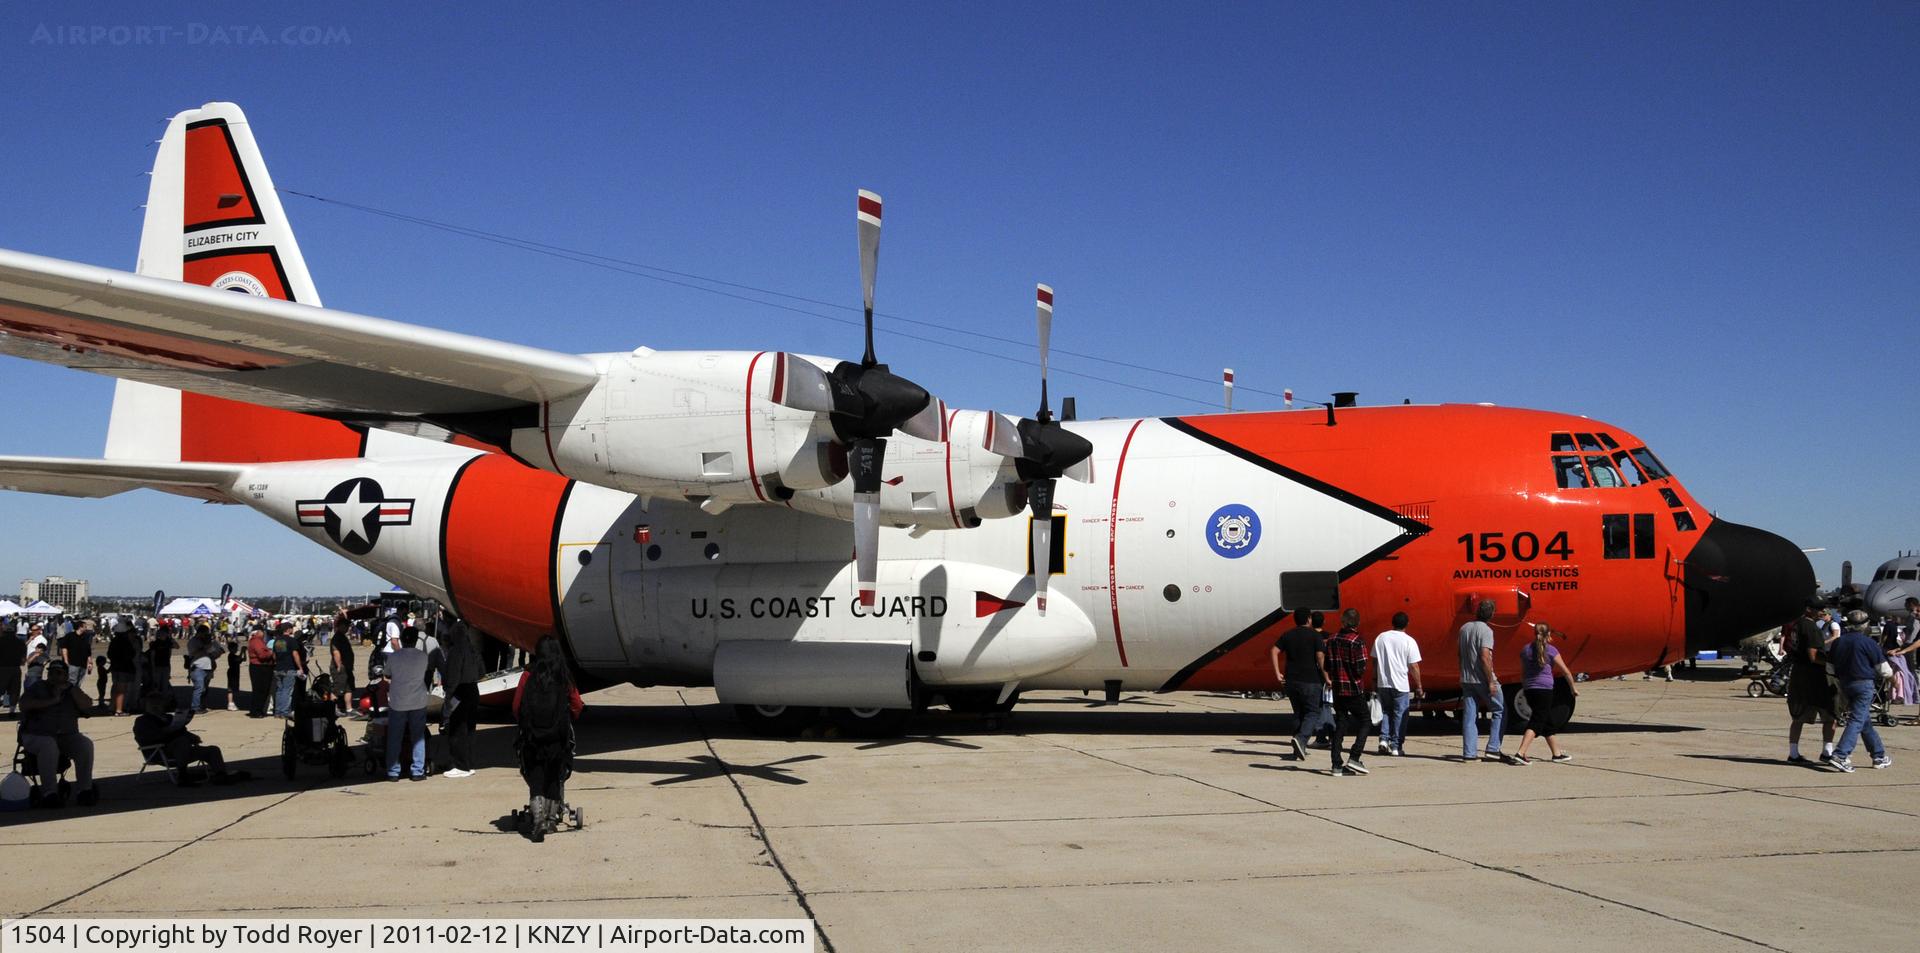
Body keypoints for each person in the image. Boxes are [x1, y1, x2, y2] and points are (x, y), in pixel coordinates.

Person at [514, 636, 583, 839]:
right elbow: (577, 704)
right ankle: (552, 819)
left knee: (535, 776)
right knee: (555, 775)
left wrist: (526, 725)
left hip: (533, 737)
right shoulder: (563, 676)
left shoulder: (528, 675)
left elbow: (517, 706)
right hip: (557, 738)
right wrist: (567, 719)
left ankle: (538, 818)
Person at [17, 661, 98, 807]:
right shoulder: (38, 687)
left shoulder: (72, 690)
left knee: (85, 745)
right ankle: (49, 793)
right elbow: (24, 705)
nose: (54, 676)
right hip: (37, 735)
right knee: (49, 745)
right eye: (51, 672)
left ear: (66, 675)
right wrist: (52, 700)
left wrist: (71, 690)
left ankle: (85, 790)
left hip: (66, 735)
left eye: (58, 673)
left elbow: (87, 705)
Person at [133, 690, 249, 785]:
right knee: (181, 742)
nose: (156, 706)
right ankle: (183, 775)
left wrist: (190, 735)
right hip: (160, 751)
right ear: (147, 706)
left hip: (181, 749)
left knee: (213, 749)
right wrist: (167, 731)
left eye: (159, 703)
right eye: (153, 704)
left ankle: (220, 775)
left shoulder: (168, 717)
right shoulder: (143, 721)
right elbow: (148, 738)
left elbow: (182, 731)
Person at [1826, 610, 1892, 772]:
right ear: (1865, 625)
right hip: (1864, 685)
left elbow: (1830, 667)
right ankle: (1841, 755)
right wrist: (1893, 680)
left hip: (1845, 684)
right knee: (1857, 720)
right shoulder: (1868, 642)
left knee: (1864, 720)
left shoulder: (1838, 642)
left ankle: (1878, 755)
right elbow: (1885, 670)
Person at [1512, 623, 1579, 764]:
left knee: (1547, 721)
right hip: (1544, 689)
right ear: (1548, 635)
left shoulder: (1525, 650)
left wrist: (1525, 686)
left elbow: (1523, 672)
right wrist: (1573, 688)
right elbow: (1565, 671)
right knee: (1537, 721)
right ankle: (1520, 753)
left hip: (1529, 689)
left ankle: (1557, 754)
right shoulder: (1551, 650)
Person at [1457, 599, 1513, 763]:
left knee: (1469, 715)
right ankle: (1493, 748)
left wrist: (1462, 672)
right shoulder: (1486, 631)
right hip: (1482, 678)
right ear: (1492, 614)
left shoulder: (1464, 628)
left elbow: (1459, 654)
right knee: (1500, 710)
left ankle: (1469, 752)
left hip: (1467, 678)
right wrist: (1490, 681)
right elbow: (1484, 656)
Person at [1269, 607, 1327, 762]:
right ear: (1309, 619)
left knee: (1298, 713)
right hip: (1310, 679)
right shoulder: (1315, 635)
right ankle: (1301, 740)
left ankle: (1297, 749)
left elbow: (1274, 651)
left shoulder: (1288, 634)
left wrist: (1277, 673)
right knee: (1313, 712)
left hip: (1291, 680)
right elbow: (1320, 657)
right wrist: (1326, 676)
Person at [1786, 598, 1837, 764]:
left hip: (1798, 673)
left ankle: (1793, 753)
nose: (1822, 612)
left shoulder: (1797, 624)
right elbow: (1813, 656)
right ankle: (1827, 752)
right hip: (1814, 676)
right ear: (1809, 609)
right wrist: (1832, 663)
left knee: (1798, 716)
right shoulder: (1811, 628)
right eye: (1819, 609)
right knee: (1830, 713)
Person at [1324, 608, 1372, 776]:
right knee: (1366, 721)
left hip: (1338, 688)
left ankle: (1336, 764)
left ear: (1343, 622)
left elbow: (1327, 666)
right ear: (1357, 623)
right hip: (1353, 688)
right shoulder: (1357, 641)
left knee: (1341, 723)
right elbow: (1360, 667)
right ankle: (1355, 756)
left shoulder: (1331, 639)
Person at [383, 627, 432, 781]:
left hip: (398, 701)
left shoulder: (394, 657)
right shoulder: (423, 656)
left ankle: (393, 771)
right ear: (416, 640)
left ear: (402, 640)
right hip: (418, 700)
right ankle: (417, 770)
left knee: (395, 737)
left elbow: (387, 673)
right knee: (418, 737)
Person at [1372, 612, 1424, 757]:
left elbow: (1375, 661)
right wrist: (1419, 685)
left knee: (1386, 712)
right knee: (1400, 715)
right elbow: (1414, 666)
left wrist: (1374, 680)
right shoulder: (1409, 641)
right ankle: (1396, 745)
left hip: (1384, 682)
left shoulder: (1381, 638)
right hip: (1401, 684)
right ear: (1407, 624)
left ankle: (1383, 739)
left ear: (1392, 623)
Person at [438, 613, 482, 778]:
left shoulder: (456, 651)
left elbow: (453, 675)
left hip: (460, 692)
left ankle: (460, 765)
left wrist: (448, 697)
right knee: (470, 729)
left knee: (457, 729)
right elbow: (481, 671)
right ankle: (469, 764)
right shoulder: (472, 649)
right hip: (473, 689)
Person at [270, 621, 305, 718]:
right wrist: (300, 667)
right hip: (289, 668)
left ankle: (278, 711)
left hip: (278, 668)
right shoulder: (291, 640)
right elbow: (295, 654)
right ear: (288, 629)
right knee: (287, 690)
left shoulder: (277, 640)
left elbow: (274, 655)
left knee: (279, 690)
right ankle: (284, 712)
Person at [185, 624, 220, 714]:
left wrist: (215, 649)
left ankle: (202, 705)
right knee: (199, 688)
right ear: (200, 632)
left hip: (208, 667)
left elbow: (213, 653)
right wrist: (205, 646)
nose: (206, 635)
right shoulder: (193, 641)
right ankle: (195, 707)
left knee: (205, 689)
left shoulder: (208, 642)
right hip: (197, 667)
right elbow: (193, 652)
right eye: (205, 633)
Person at [107, 619, 138, 716]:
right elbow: (131, 654)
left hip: (116, 667)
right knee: (121, 690)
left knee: (116, 688)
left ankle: (113, 706)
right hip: (124, 668)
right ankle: (119, 710)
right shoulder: (125, 642)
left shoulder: (114, 641)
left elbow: (109, 654)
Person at [59, 620, 94, 705]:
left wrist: (90, 662)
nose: (86, 628)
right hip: (72, 663)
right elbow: (64, 648)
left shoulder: (86, 637)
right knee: (72, 682)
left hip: (83, 663)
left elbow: (88, 651)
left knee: (79, 683)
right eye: (85, 626)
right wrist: (66, 660)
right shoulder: (69, 636)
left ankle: (74, 700)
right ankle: (67, 700)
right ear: (80, 627)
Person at [328, 614, 356, 716]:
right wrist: (339, 666)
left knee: (348, 688)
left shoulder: (343, 637)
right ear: (340, 626)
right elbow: (336, 652)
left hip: (347, 668)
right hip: (340, 668)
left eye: (348, 626)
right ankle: (333, 709)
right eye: (345, 626)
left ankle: (349, 709)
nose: (347, 628)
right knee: (337, 689)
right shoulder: (337, 638)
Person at [246, 626, 274, 717]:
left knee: (259, 690)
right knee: (261, 690)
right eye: (263, 632)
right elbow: (262, 655)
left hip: (258, 667)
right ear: (259, 632)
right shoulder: (257, 641)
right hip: (260, 667)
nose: (264, 634)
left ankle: (256, 710)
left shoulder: (255, 641)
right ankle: (256, 711)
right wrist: (270, 652)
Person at [0, 624, 24, 717]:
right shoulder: (20, 642)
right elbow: (23, 660)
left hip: (2, 668)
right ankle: (12, 711)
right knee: (14, 691)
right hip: (15, 668)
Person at [23, 623, 48, 693]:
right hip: (30, 662)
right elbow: (24, 646)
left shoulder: (42, 640)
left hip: (36, 663)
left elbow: (41, 652)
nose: (32, 631)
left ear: (39, 630)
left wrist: (42, 662)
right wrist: (29, 640)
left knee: (33, 682)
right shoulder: (32, 638)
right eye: (31, 630)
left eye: (35, 630)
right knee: (29, 680)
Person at [223, 630, 244, 711]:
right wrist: (242, 652)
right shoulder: (231, 655)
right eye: (235, 648)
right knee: (230, 688)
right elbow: (239, 659)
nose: (236, 649)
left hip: (235, 672)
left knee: (234, 688)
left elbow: (242, 659)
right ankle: (230, 703)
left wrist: (243, 652)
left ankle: (231, 702)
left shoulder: (234, 655)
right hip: (232, 672)